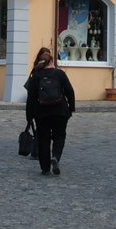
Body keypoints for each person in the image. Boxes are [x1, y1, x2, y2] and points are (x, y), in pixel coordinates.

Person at [24, 46, 75, 176]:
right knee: (59, 136)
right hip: (60, 111)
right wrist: (70, 109)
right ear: (52, 61)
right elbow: (70, 91)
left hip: (42, 113)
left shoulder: (36, 76)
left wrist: (29, 116)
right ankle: (56, 157)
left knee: (43, 139)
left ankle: (45, 167)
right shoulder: (60, 74)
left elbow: (31, 98)